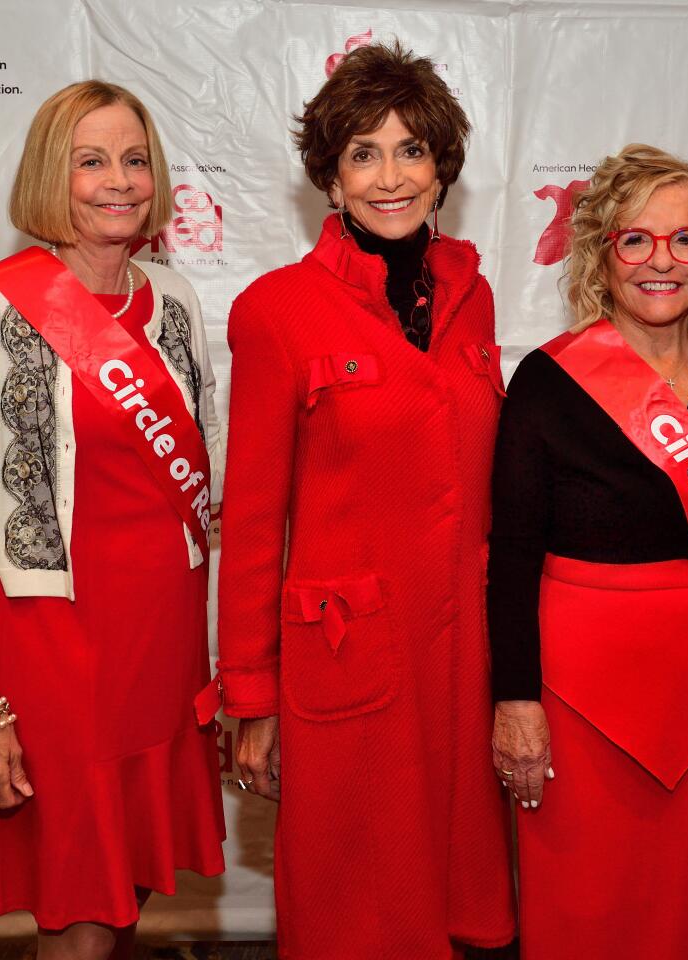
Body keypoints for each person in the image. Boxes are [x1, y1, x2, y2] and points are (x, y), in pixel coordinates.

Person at [199, 42, 515, 960]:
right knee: (356, 909)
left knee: (456, 903)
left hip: (464, 661)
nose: (391, 176)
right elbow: (253, 522)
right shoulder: (277, 310)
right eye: (364, 153)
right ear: (330, 179)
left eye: (411, 150)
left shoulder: (474, 293)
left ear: (441, 169)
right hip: (349, 660)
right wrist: (251, 698)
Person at [0, 80, 225, 957]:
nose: (118, 181)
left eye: (134, 159)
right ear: (48, 177)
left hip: (163, 635)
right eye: (89, 160)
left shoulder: (175, 300)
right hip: (54, 637)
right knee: (76, 900)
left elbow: (207, 478)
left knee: (127, 880)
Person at [488, 144, 688, 960]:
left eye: (685, 240)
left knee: (687, 907)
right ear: (602, 254)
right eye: (635, 239)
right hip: (576, 698)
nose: (660, 261)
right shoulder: (548, 379)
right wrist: (515, 701)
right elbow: (509, 555)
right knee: (583, 907)